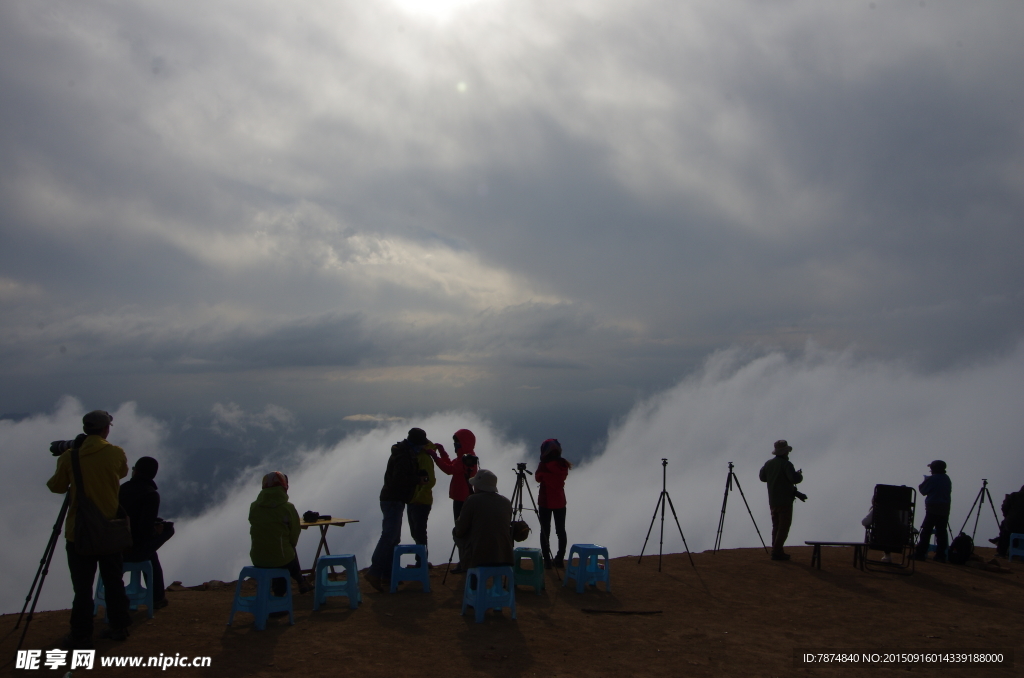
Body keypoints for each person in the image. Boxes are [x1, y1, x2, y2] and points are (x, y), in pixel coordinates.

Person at [46, 410, 132, 648]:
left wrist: (68, 457)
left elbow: (56, 487)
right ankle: (119, 626)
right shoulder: (115, 453)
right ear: (106, 429)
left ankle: (81, 634)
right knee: (114, 581)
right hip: (109, 530)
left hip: (79, 532)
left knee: (82, 588)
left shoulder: (69, 457)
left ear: (85, 429)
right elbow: (123, 472)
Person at [365, 428, 428, 592]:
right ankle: (375, 572)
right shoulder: (403, 456)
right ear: (415, 443)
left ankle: (387, 575)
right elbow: (399, 479)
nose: (421, 448)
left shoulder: (404, 453)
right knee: (389, 536)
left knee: (393, 537)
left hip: (394, 499)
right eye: (420, 445)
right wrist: (417, 480)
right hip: (393, 499)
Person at [119, 456, 174, 610]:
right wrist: (156, 531)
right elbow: (144, 530)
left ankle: (156, 596)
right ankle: (157, 597)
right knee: (167, 531)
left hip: (115, 546)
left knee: (150, 553)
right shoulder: (151, 494)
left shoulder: (122, 489)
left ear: (136, 471)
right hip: (135, 550)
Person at [248, 472, 313, 600]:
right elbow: (294, 535)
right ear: (284, 486)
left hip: (257, 559)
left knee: (283, 552)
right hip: (281, 559)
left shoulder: (254, 507)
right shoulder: (288, 508)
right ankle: (281, 596)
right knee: (286, 555)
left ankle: (300, 582)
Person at [430, 429, 479, 573]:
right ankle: (467, 561)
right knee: (465, 530)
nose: (455, 445)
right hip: (465, 497)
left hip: (461, 499)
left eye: (457, 442)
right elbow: (452, 465)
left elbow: (448, 469)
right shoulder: (467, 457)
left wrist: (435, 457)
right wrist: (442, 453)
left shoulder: (465, 459)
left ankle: (464, 563)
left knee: (461, 531)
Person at [452, 469, 514, 569]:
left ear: (478, 485)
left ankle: (466, 567)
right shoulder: (506, 502)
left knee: (456, 532)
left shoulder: (472, 500)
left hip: (479, 557)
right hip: (504, 556)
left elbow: (460, 529)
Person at [759, 439, 805, 561]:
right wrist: (799, 475)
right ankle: (777, 551)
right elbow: (794, 479)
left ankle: (776, 549)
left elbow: (762, 477)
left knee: (776, 526)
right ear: (785, 452)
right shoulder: (786, 464)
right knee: (783, 527)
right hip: (785, 501)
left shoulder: (768, 464)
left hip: (773, 500)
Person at [535, 438, 571, 569]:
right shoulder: (563, 465)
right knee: (561, 530)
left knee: (545, 531)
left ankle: (547, 560)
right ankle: (560, 558)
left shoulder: (543, 465)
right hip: (560, 501)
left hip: (545, 500)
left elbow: (538, 478)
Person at [913, 460, 952, 562]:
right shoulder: (946, 478)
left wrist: (926, 480)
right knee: (941, 531)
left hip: (933, 507)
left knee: (926, 530)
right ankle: (941, 555)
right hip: (945, 508)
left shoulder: (933, 479)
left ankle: (920, 553)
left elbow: (922, 490)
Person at [407, 433, 437, 567]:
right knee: (416, 532)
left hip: (421, 500)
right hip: (414, 499)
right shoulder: (417, 455)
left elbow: (429, 481)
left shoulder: (423, 458)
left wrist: (419, 496)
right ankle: (421, 561)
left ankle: (421, 562)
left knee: (419, 532)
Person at [994, 485, 1024, 558]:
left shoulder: (1014, 496)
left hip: (1011, 524)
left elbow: (1004, 507)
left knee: (1005, 527)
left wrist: (1006, 516)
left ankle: (1002, 552)